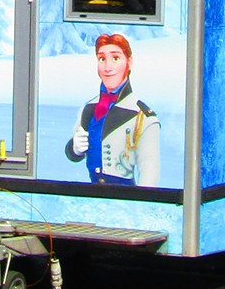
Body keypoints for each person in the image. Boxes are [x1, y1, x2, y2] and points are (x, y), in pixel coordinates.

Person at [64, 33, 161, 186]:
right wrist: (75, 148)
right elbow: (71, 153)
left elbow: (149, 173)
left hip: (126, 200)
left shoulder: (144, 117)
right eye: (102, 59)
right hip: (92, 196)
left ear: (129, 62)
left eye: (115, 59)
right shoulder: (88, 108)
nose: (108, 67)